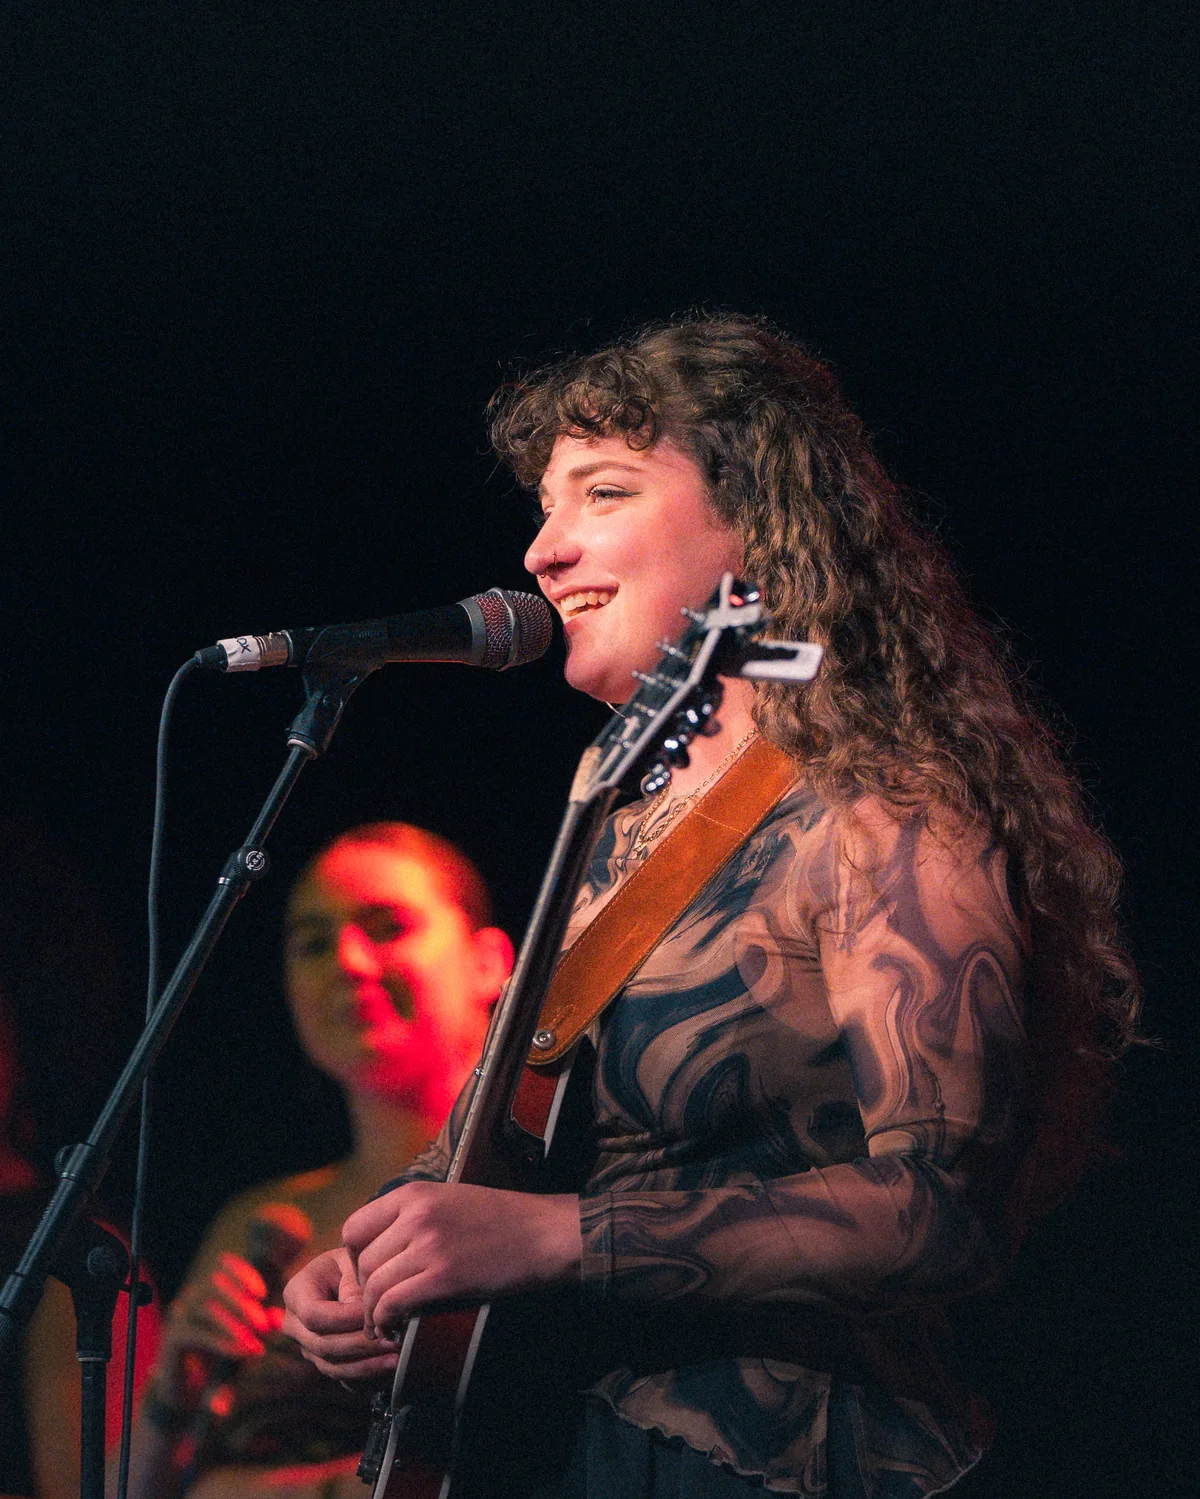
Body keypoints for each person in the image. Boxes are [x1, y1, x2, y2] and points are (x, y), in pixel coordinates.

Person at [281, 315, 1140, 1498]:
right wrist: (375, 1260)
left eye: (603, 493)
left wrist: (554, 1239)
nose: (540, 548)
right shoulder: (610, 829)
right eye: (544, 503)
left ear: (760, 526)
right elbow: (505, 1152)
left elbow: (943, 1212)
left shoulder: (887, 814)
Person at [126, 823, 513, 1499]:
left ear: (490, 960)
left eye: (386, 926)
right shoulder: (260, 1218)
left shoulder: (534, 1195)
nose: (348, 961)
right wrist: (174, 1390)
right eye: (312, 941)